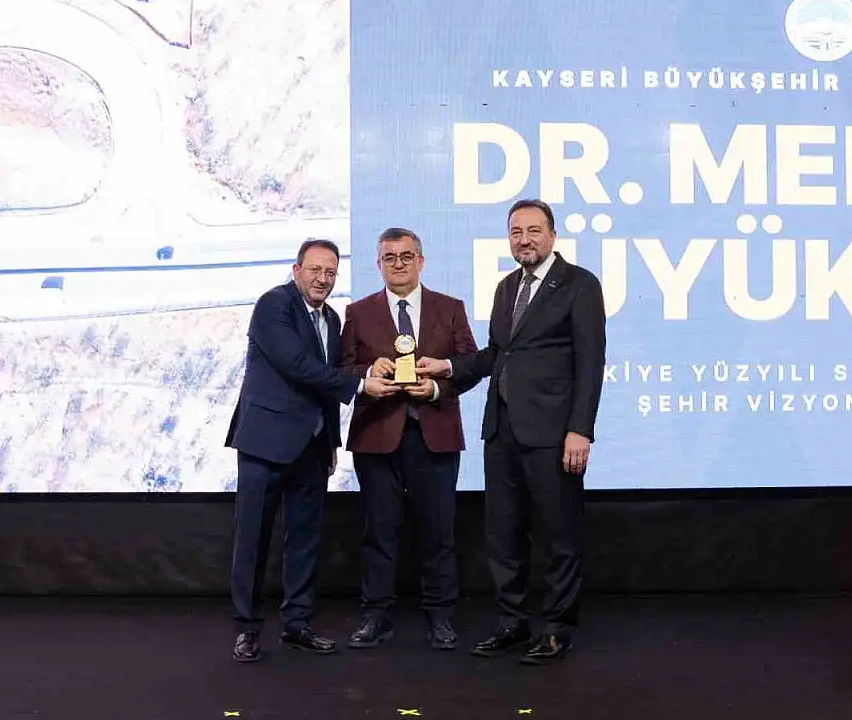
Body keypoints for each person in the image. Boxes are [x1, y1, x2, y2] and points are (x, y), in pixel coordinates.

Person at [415, 199, 606, 665]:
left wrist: (580, 430)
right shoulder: (506, 288)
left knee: (559, 534)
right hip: (501, 431)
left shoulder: (579, 284)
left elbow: (590, 362)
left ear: (553, 236)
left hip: (553, 433)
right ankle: (512, 622)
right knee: (502, 534)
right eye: (516, 232)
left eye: (534, 231)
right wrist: (448, 367)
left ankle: (556, 629)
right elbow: (497, 355)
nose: (524, 239)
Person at [225, 238, 398, 663]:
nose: (323, 279)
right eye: (315, 270)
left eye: (330, 272)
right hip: (265, 444)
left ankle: (297, 624)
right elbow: (297, 366)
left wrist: (332, 440)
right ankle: (247, 629)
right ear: (296, 270)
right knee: (253, 540)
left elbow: (327, 379)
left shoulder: (332, 318)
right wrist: (361, 385)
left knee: (304, 541)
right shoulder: (274, 305)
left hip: (313, 447)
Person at [338, 227, 480, 651]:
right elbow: (341, 371)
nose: (398, 264)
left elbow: (471, 364)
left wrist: (436, 387)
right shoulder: (358, 312)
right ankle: (376, 615)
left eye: (406, 256)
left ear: (421, 261)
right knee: (378, 530)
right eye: (389, 257)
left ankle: (440, 615)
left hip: (434, 433)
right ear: (378, 264)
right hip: (376, 435)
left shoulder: (450, 308)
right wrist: (368, 373)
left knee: (438, 531)